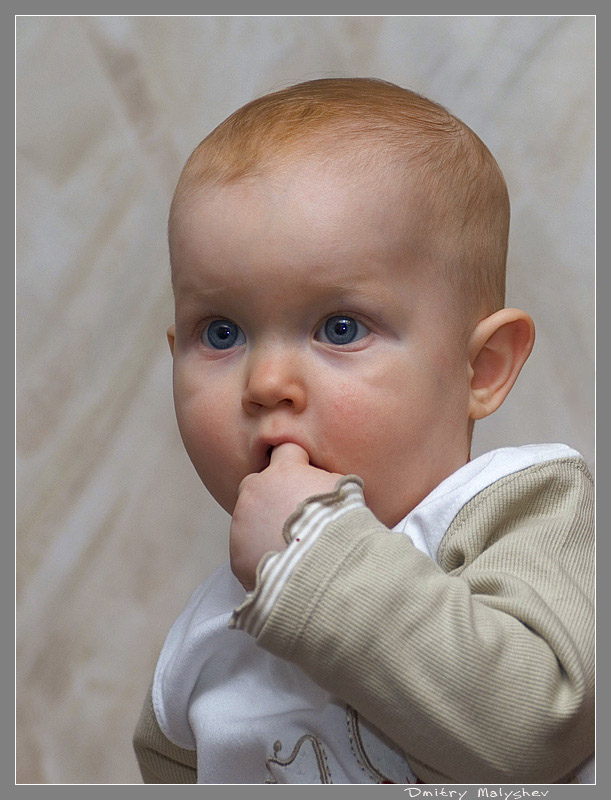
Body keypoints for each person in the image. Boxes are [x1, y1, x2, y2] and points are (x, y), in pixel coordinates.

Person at [133, 78, 594, 785]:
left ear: (480, 369)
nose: (264, 383)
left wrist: (315, 565)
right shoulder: (201, 646)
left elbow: (540, 727)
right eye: (221, 333)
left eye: (339, 328)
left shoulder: (525, 511)